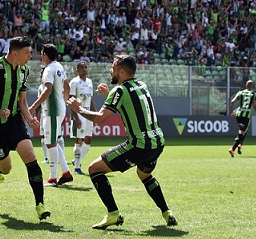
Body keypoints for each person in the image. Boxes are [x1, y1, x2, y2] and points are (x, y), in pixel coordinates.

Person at [67, 55, 178, 229]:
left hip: (138, 145)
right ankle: (167, 212)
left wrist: (78, 109)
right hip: (157, 143)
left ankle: (113, 214)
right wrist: (108, 94)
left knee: (94, 169)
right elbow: (130, 106)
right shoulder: (142, 85)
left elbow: (100, 119)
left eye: (113, 67)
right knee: (145, 175)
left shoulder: (120, 91)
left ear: (122, 71)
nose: (110, 70)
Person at [0, 36, 51, 221]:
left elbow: (22, 100)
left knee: (31, 157)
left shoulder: (24, 70)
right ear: (15, 53)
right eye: (27, 53)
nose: (30, 56)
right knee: (6, 169)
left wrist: (30, 118)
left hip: (14, 120)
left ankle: (40, 205)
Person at [29, 43, 73, 187]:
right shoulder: (59, 67)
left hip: (52, 110)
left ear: (45, 55)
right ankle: (66, 173)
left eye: (42, 53)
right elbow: (67, 86)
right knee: (52, 142)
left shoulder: (49, 69)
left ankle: (53, 178)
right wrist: (64, 102)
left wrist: (34, 106)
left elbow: (47, 90)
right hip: (57, 109)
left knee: (50, 143)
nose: (41, 56)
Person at [69, 61, 96, 175]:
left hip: (88, 112)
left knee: (88, 139)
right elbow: (71, 100)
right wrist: (77, 118)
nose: (84, 69)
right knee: (79, 139)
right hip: (79, 112)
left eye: (85, 67)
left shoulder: (89, 82)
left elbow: (91, 99)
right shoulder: (74, 82)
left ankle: (77, 159)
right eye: (81, 67)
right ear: (77, 70)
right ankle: (77, 167)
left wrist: (95, 113)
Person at [229, 80, 256, 157]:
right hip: (246, 116)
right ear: (252, 86)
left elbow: (232, 101)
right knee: (242, 132)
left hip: (239, 115)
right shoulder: (254, 94)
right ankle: (232, 149)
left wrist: (231, 112)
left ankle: (240, 144)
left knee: (244, 130)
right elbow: (255, 106)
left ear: (246, 85)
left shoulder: (240, 93)